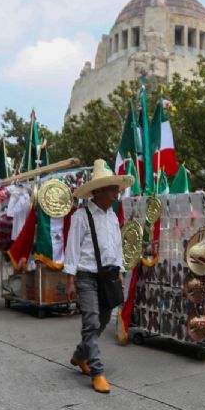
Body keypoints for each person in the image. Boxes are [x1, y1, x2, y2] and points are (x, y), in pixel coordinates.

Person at [64, 159, 133, 394]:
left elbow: (116, 246)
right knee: (91, 322)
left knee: (103, 321)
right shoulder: (81, 216)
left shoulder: (113, 217)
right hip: (86, 276)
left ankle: (79, 355)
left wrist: (120, 272)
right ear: (100, 190)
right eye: (113, 188)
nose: (117, 193)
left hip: (109, 276)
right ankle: (97, 371)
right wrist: (70, 278)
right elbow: (72, 246)